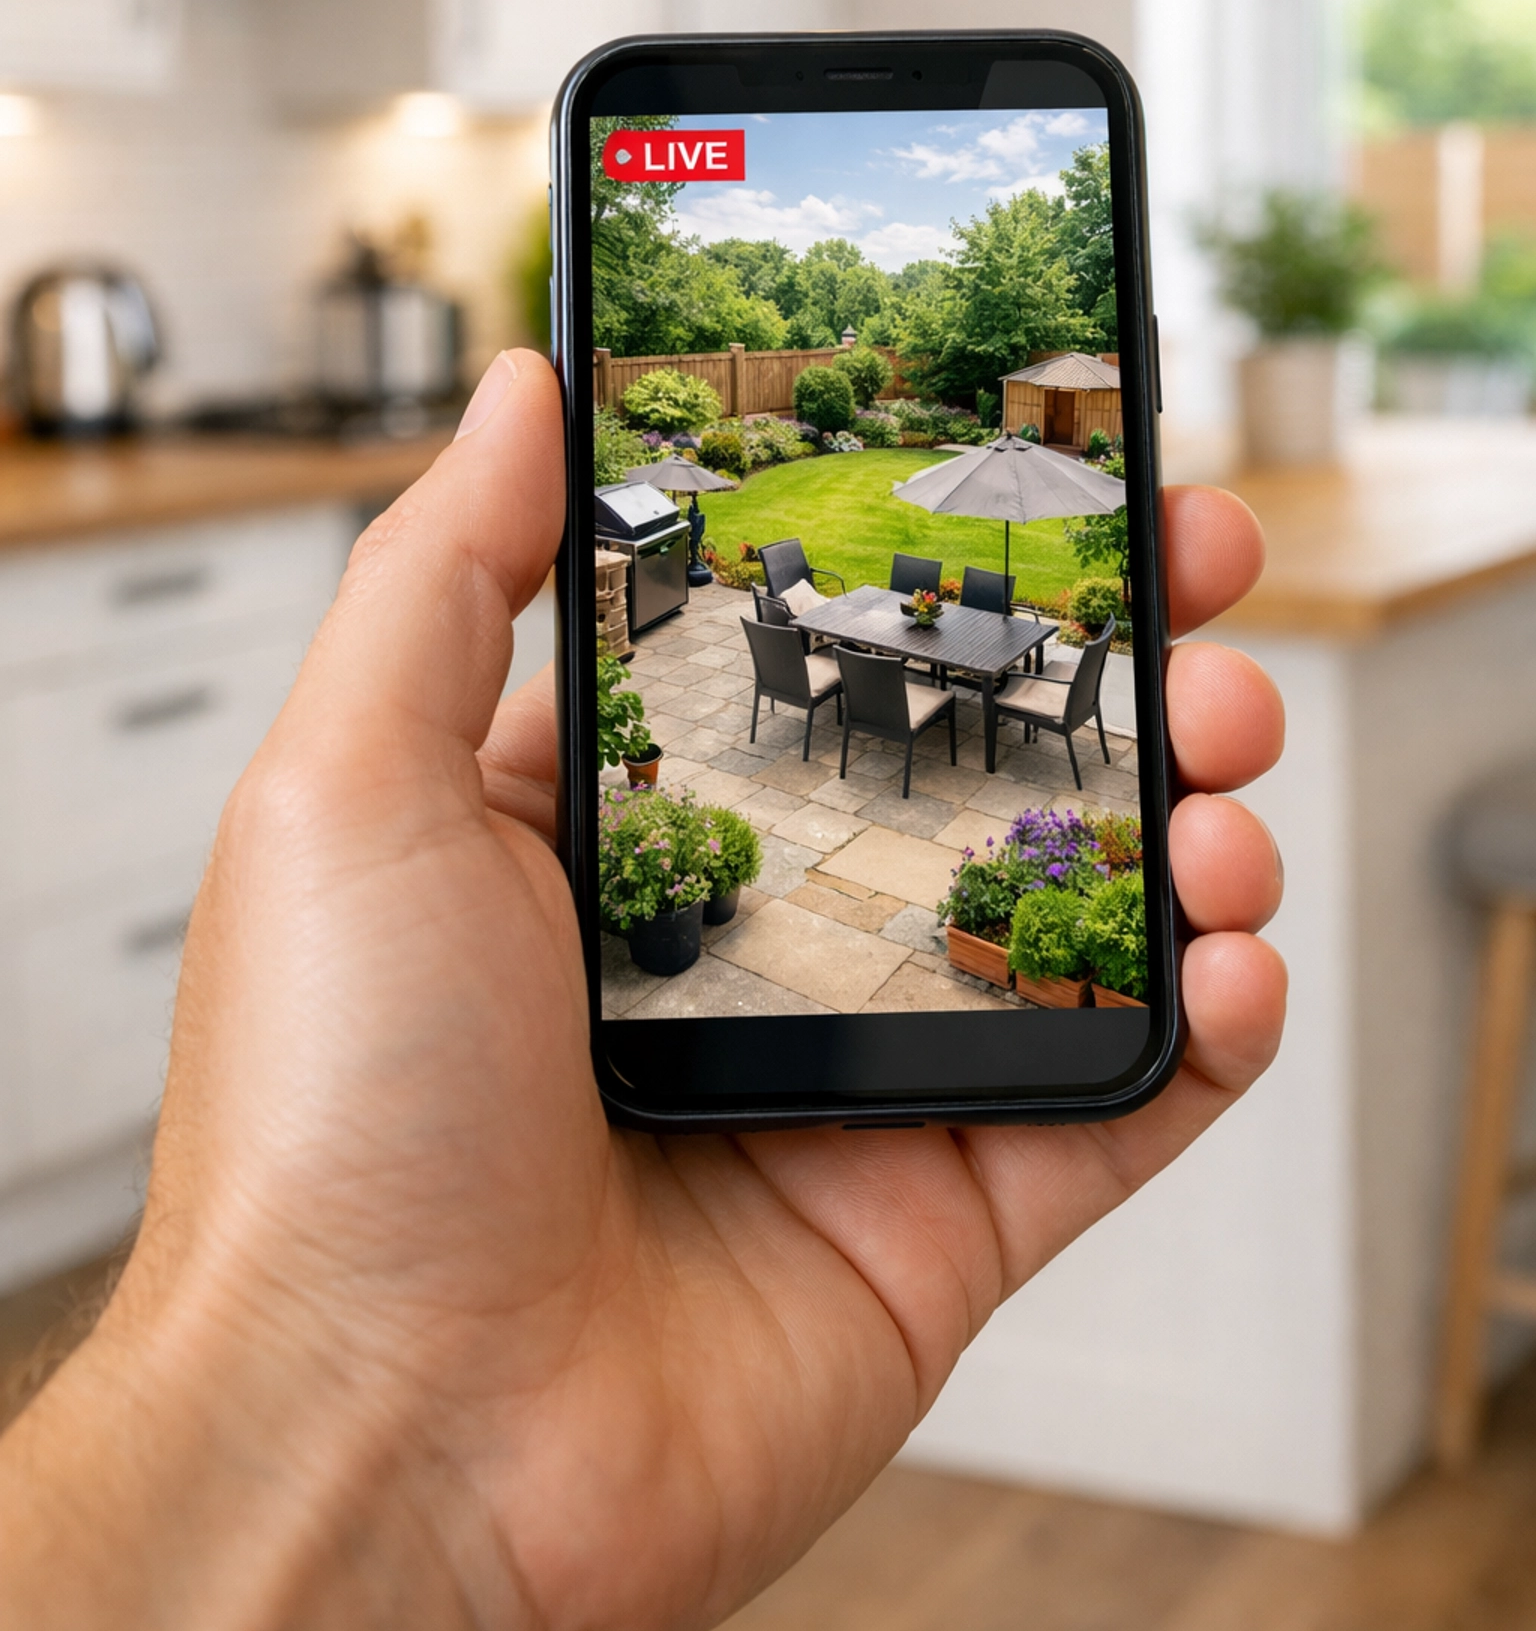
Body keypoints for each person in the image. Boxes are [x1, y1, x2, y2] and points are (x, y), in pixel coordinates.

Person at [0, 353, 1286, 1628]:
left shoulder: (797, 625)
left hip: (854, 712)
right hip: (905, 714)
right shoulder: (864, 621)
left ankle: (868, 740)